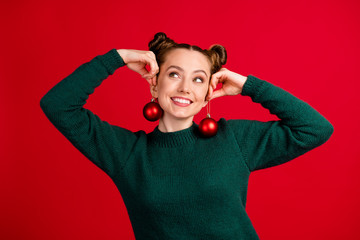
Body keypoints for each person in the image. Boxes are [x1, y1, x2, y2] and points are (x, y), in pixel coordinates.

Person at [40, 32, 334, 239]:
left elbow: (315, 129)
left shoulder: (233, 140)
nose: (185, 88)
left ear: (208, 92)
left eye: (198, 79)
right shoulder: (127, 153)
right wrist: (115, 58)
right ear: (154, 85)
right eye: (174, 74)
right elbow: (58, 105)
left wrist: (247, 86)